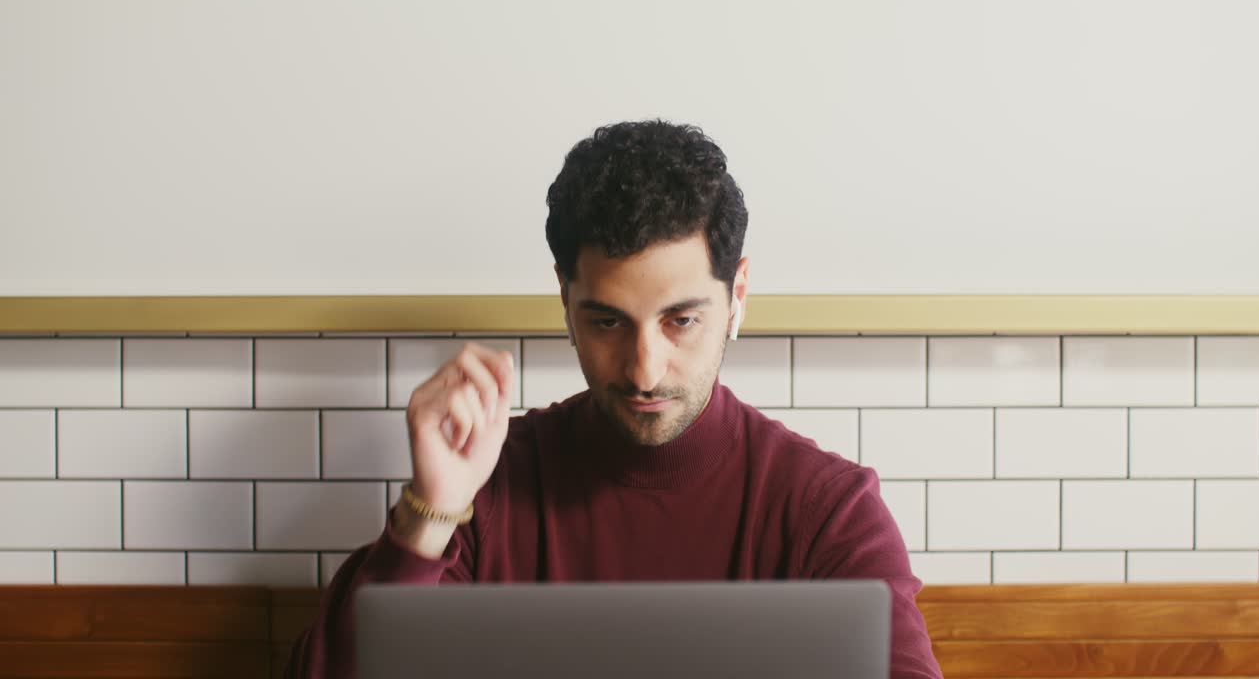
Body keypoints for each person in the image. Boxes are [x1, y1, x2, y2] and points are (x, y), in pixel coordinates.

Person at [285, 120, 943, 679]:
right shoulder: (485, 486)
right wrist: (430, 514)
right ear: (565, 300)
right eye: (607, 323)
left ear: (737, 296)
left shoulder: (827, 510)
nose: (644, 371)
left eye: (680, 321)